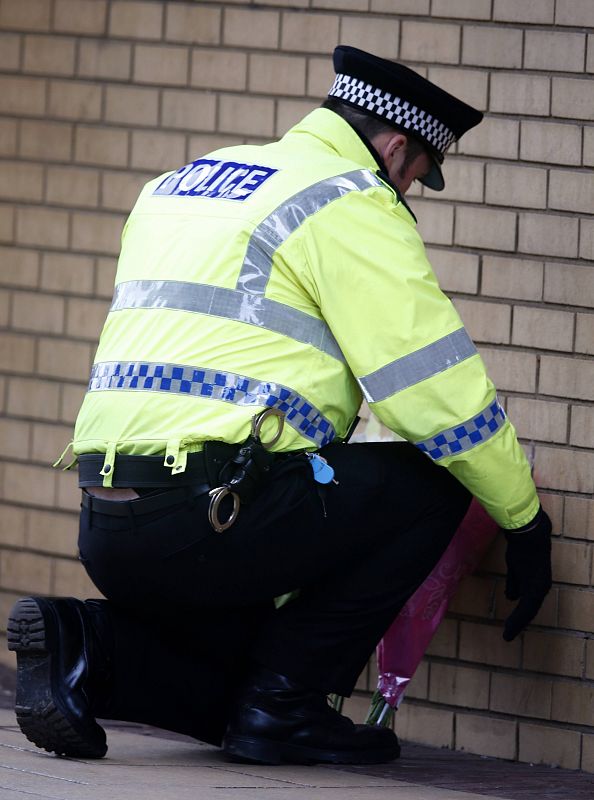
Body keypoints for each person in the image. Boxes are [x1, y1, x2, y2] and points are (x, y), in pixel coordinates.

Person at [8, 46, 552, 766]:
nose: (409, 190)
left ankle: (85, 642)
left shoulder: (182, 182)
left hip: (110, 518)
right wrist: (523, 518)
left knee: (233, 684)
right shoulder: (349, 199)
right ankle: (288, 706)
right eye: (418, 175)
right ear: (396, 149)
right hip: (215, 514)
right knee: (435, 481)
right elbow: (436, 395)